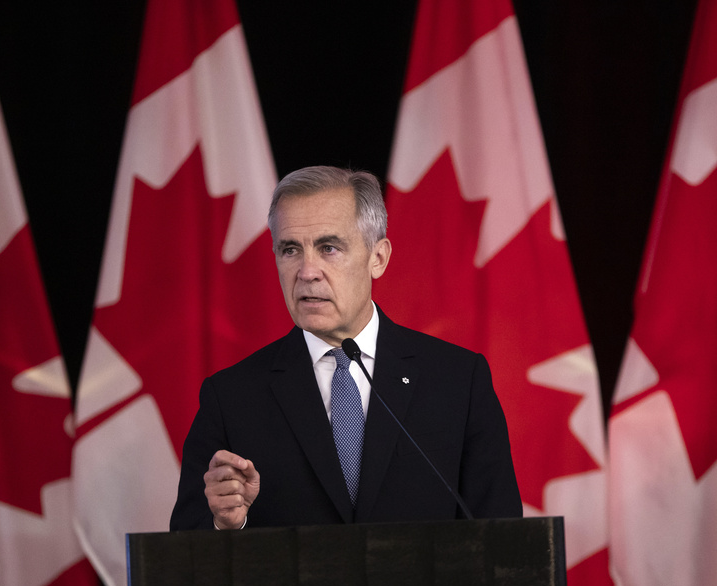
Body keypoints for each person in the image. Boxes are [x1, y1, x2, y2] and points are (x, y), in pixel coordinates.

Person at [169, 166, 521, 530]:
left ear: (378, 258)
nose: (307, 271)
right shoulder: (231, 398)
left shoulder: (458, 382)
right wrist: (225, 526)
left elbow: (504, 539)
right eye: (290, 250)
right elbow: (184, 557)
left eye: (329, 248)